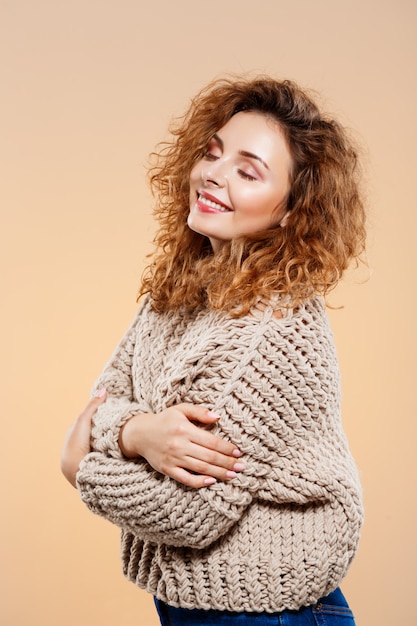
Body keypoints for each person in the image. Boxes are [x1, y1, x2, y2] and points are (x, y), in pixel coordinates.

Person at [61, 75, 366, 625]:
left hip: (271, 614)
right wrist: (137, 434)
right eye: (213, 154)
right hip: (196, 604)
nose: (213, 176)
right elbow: (106, 395)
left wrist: (80, 462)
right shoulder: (181, 291)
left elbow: (188, 509)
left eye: (248, 172)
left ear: (292, 212)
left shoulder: (276, 328)